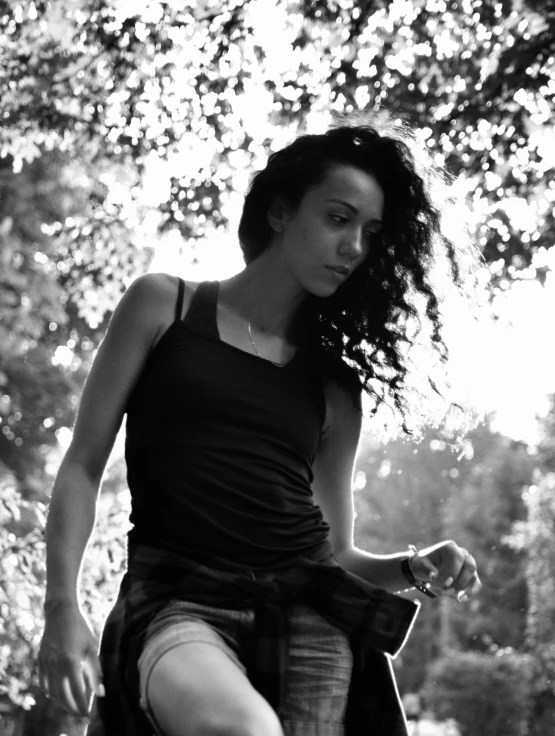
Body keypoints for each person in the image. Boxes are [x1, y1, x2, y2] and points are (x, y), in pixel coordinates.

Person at [38, 116, 482, 736]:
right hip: (176, 602)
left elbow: (338, 552)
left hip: (312, 619)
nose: (355, 247)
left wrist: (413, 566)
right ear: (279, 213)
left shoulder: (334, 386)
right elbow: (83, 467)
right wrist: (62, 607)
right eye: (338, 218)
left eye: (371, 232)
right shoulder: (163, 306)